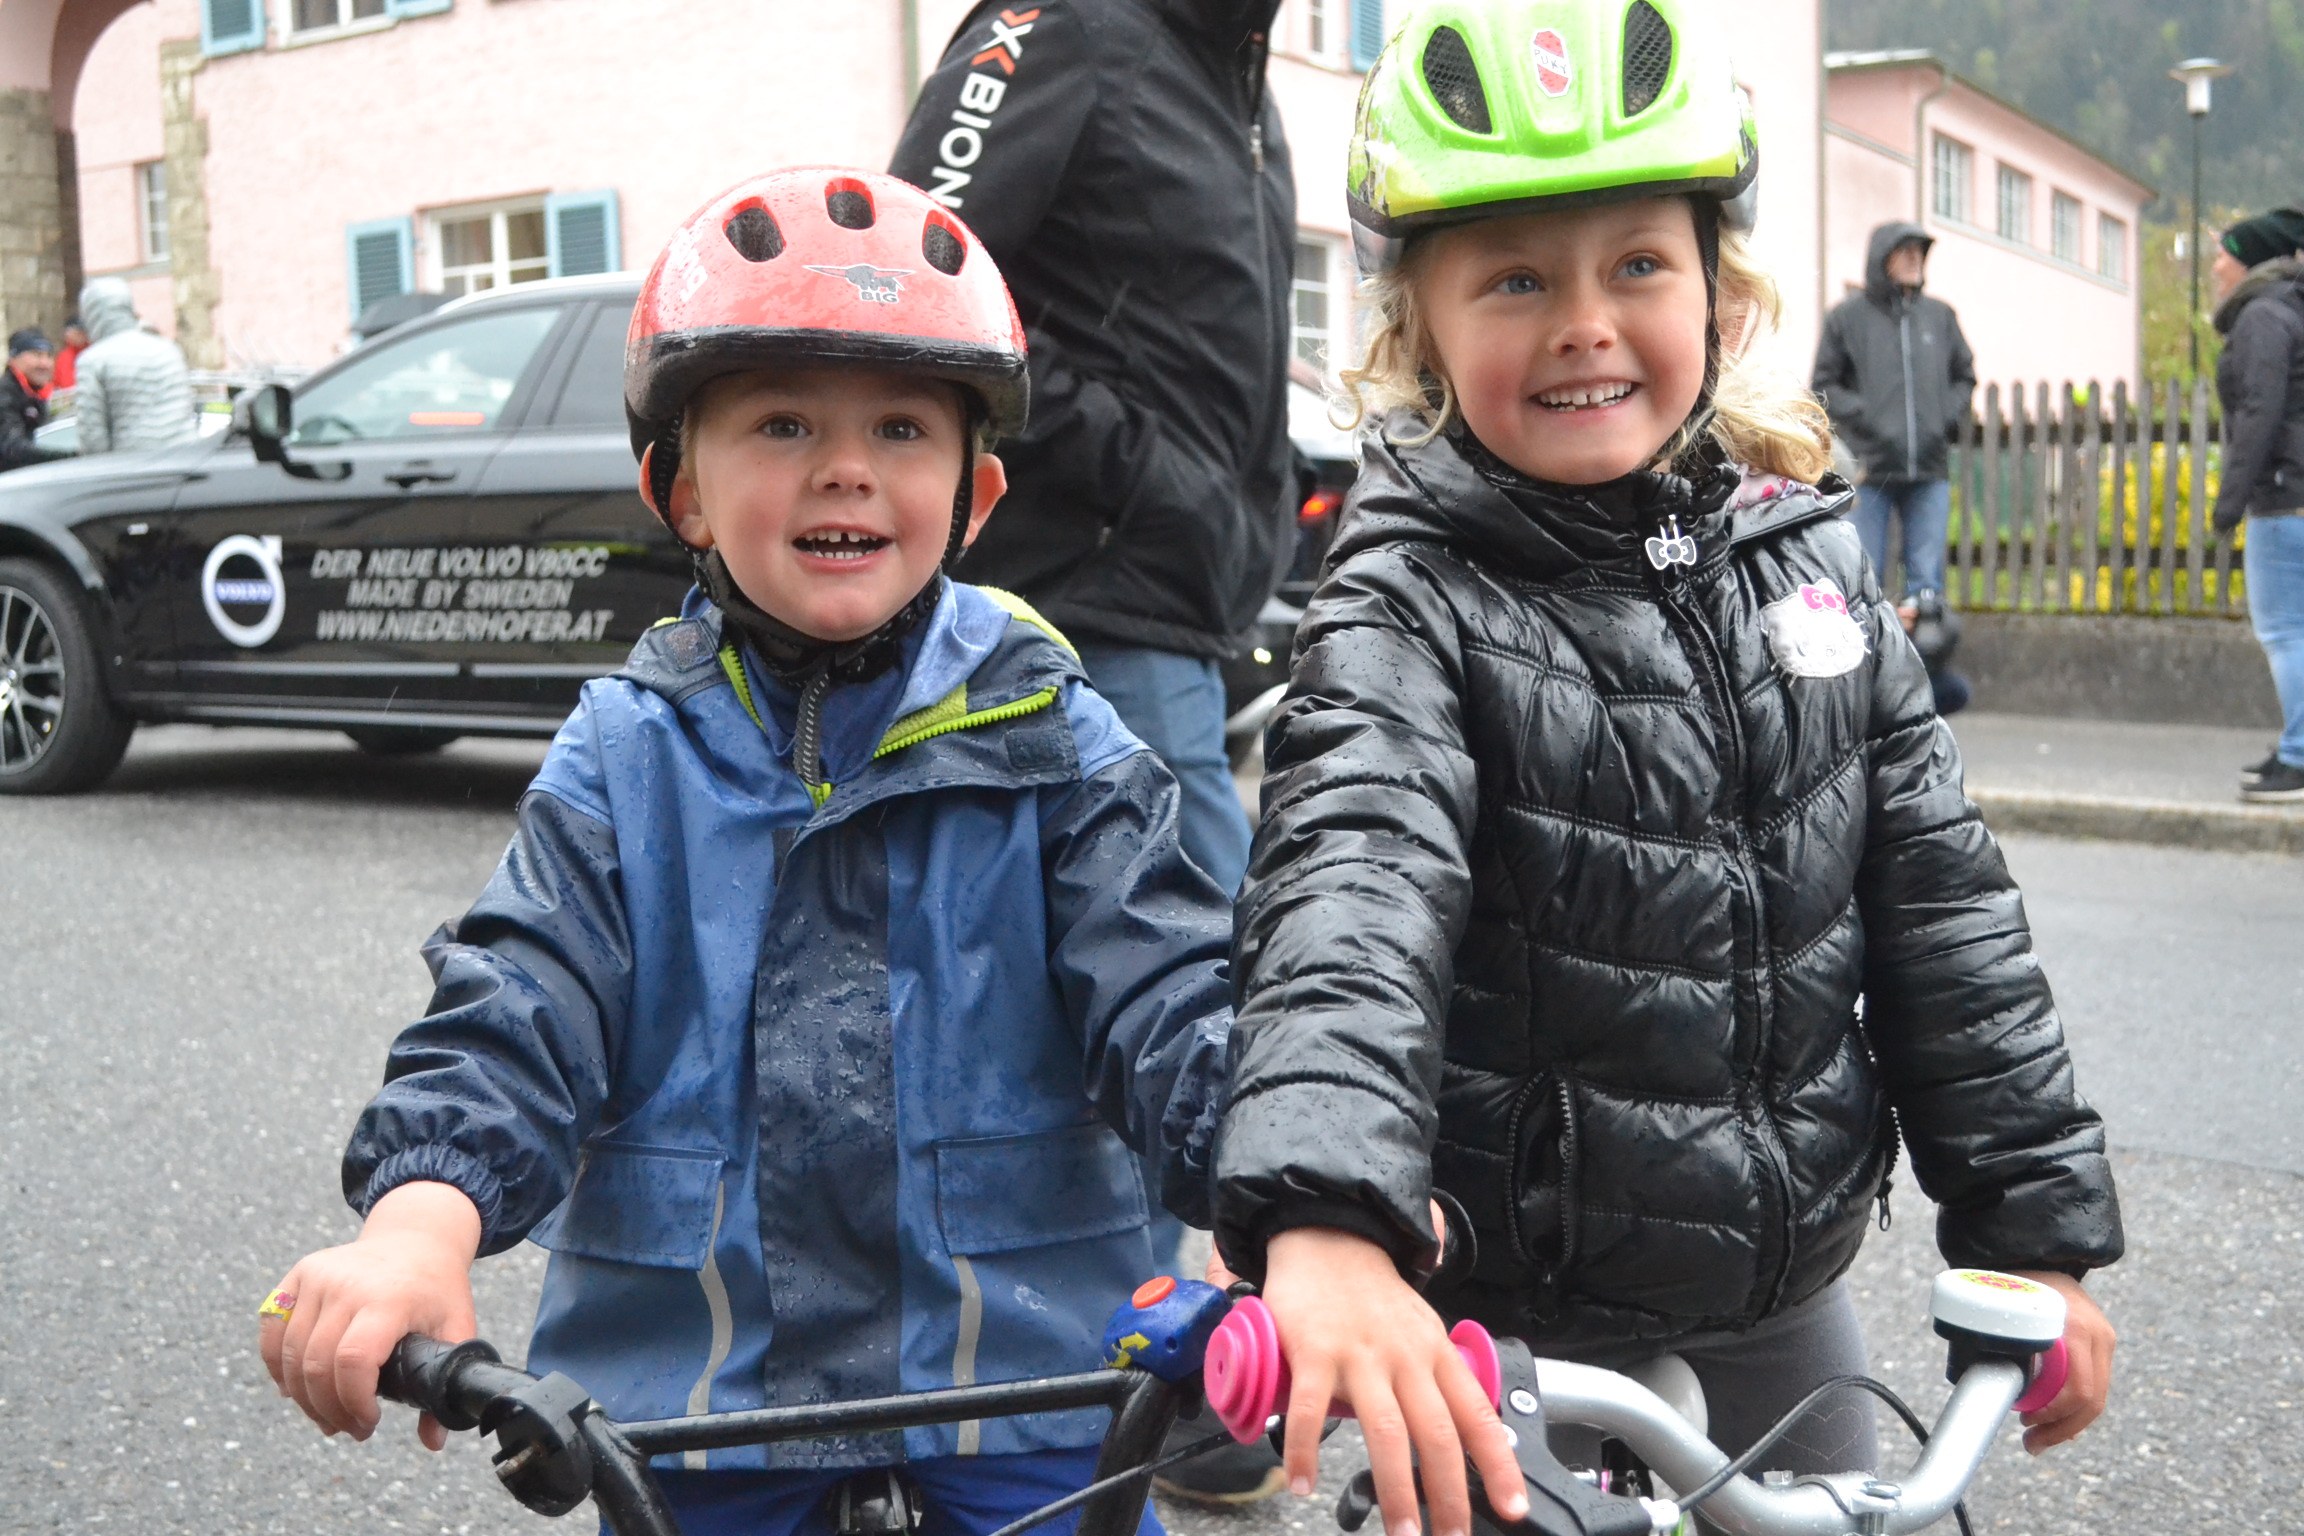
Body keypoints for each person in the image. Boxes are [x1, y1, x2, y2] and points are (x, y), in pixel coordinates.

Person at [1206, 10, 2124, 1536]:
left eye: (1637, 264)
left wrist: (2035, 1236)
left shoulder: (1811, 566)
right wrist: (1326, 1216)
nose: (1585, 322)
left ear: (1719, 292)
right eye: (1516, 280)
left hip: (1777, 1289)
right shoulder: (1404, 601)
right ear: (1420, 330)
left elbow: (1948, 918)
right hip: (1513, 1310)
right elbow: (1350, 891)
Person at [256, 170, 1235, 1536]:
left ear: (976, 494)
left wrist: (1298, 1191)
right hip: (705, 1428)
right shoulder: (623, 754)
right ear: (683, 493)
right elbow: (517, 1003)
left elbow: (1175, 991)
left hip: (1027, 1404)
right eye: (783, 423)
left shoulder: (1059, 741)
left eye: (902, 427)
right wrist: (422, 1218)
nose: (846, 467)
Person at [890, 0, 1297, 901]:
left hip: (1190, 595)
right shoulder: (1060, 27)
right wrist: (1142, 471)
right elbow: (919, 282)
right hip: (1089, 589)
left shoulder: (1237, 78)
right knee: (1212, 947)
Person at [1811, 222, 1977, 620]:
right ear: (1881, 258)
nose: (1915, 259)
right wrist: (1870, 417)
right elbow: (1824, 385)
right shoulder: (1846, 318)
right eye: (1905, 251)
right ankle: (1869, 647)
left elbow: (1965, 376)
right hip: (1870, 471)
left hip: (1929, 470)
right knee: (1862, 580)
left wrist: (1942, 418)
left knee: (1927, 592)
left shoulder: (1940, 317)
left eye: (1920, 252)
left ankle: (1926, 650)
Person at [2209, 207, 2304, 804]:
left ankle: (2299, 756)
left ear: (2249, 260)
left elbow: (2259, 413)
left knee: (2285, 631)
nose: (2215, 264)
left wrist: (2231, 501)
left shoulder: (2264, 315)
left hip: (2284, 498)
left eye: (2224, 253)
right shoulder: (2291, 308)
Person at [72, 277, 196, 454]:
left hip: (132, 464)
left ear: (91, 314)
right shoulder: (169, 349)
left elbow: (93, 438)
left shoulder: (93, 361)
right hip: (185, 459)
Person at [0, 328, 68, 470]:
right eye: (36, 355)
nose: (45, 364)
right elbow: (12, 447)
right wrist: (66, 454)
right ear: (13, 358)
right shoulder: (6, 394)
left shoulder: (37, 394)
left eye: (49, 356)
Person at [51, 316, 87, 395]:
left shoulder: (93, 353)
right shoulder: (63, 357)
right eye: (76, 331)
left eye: (81, 332)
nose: (80, 335)